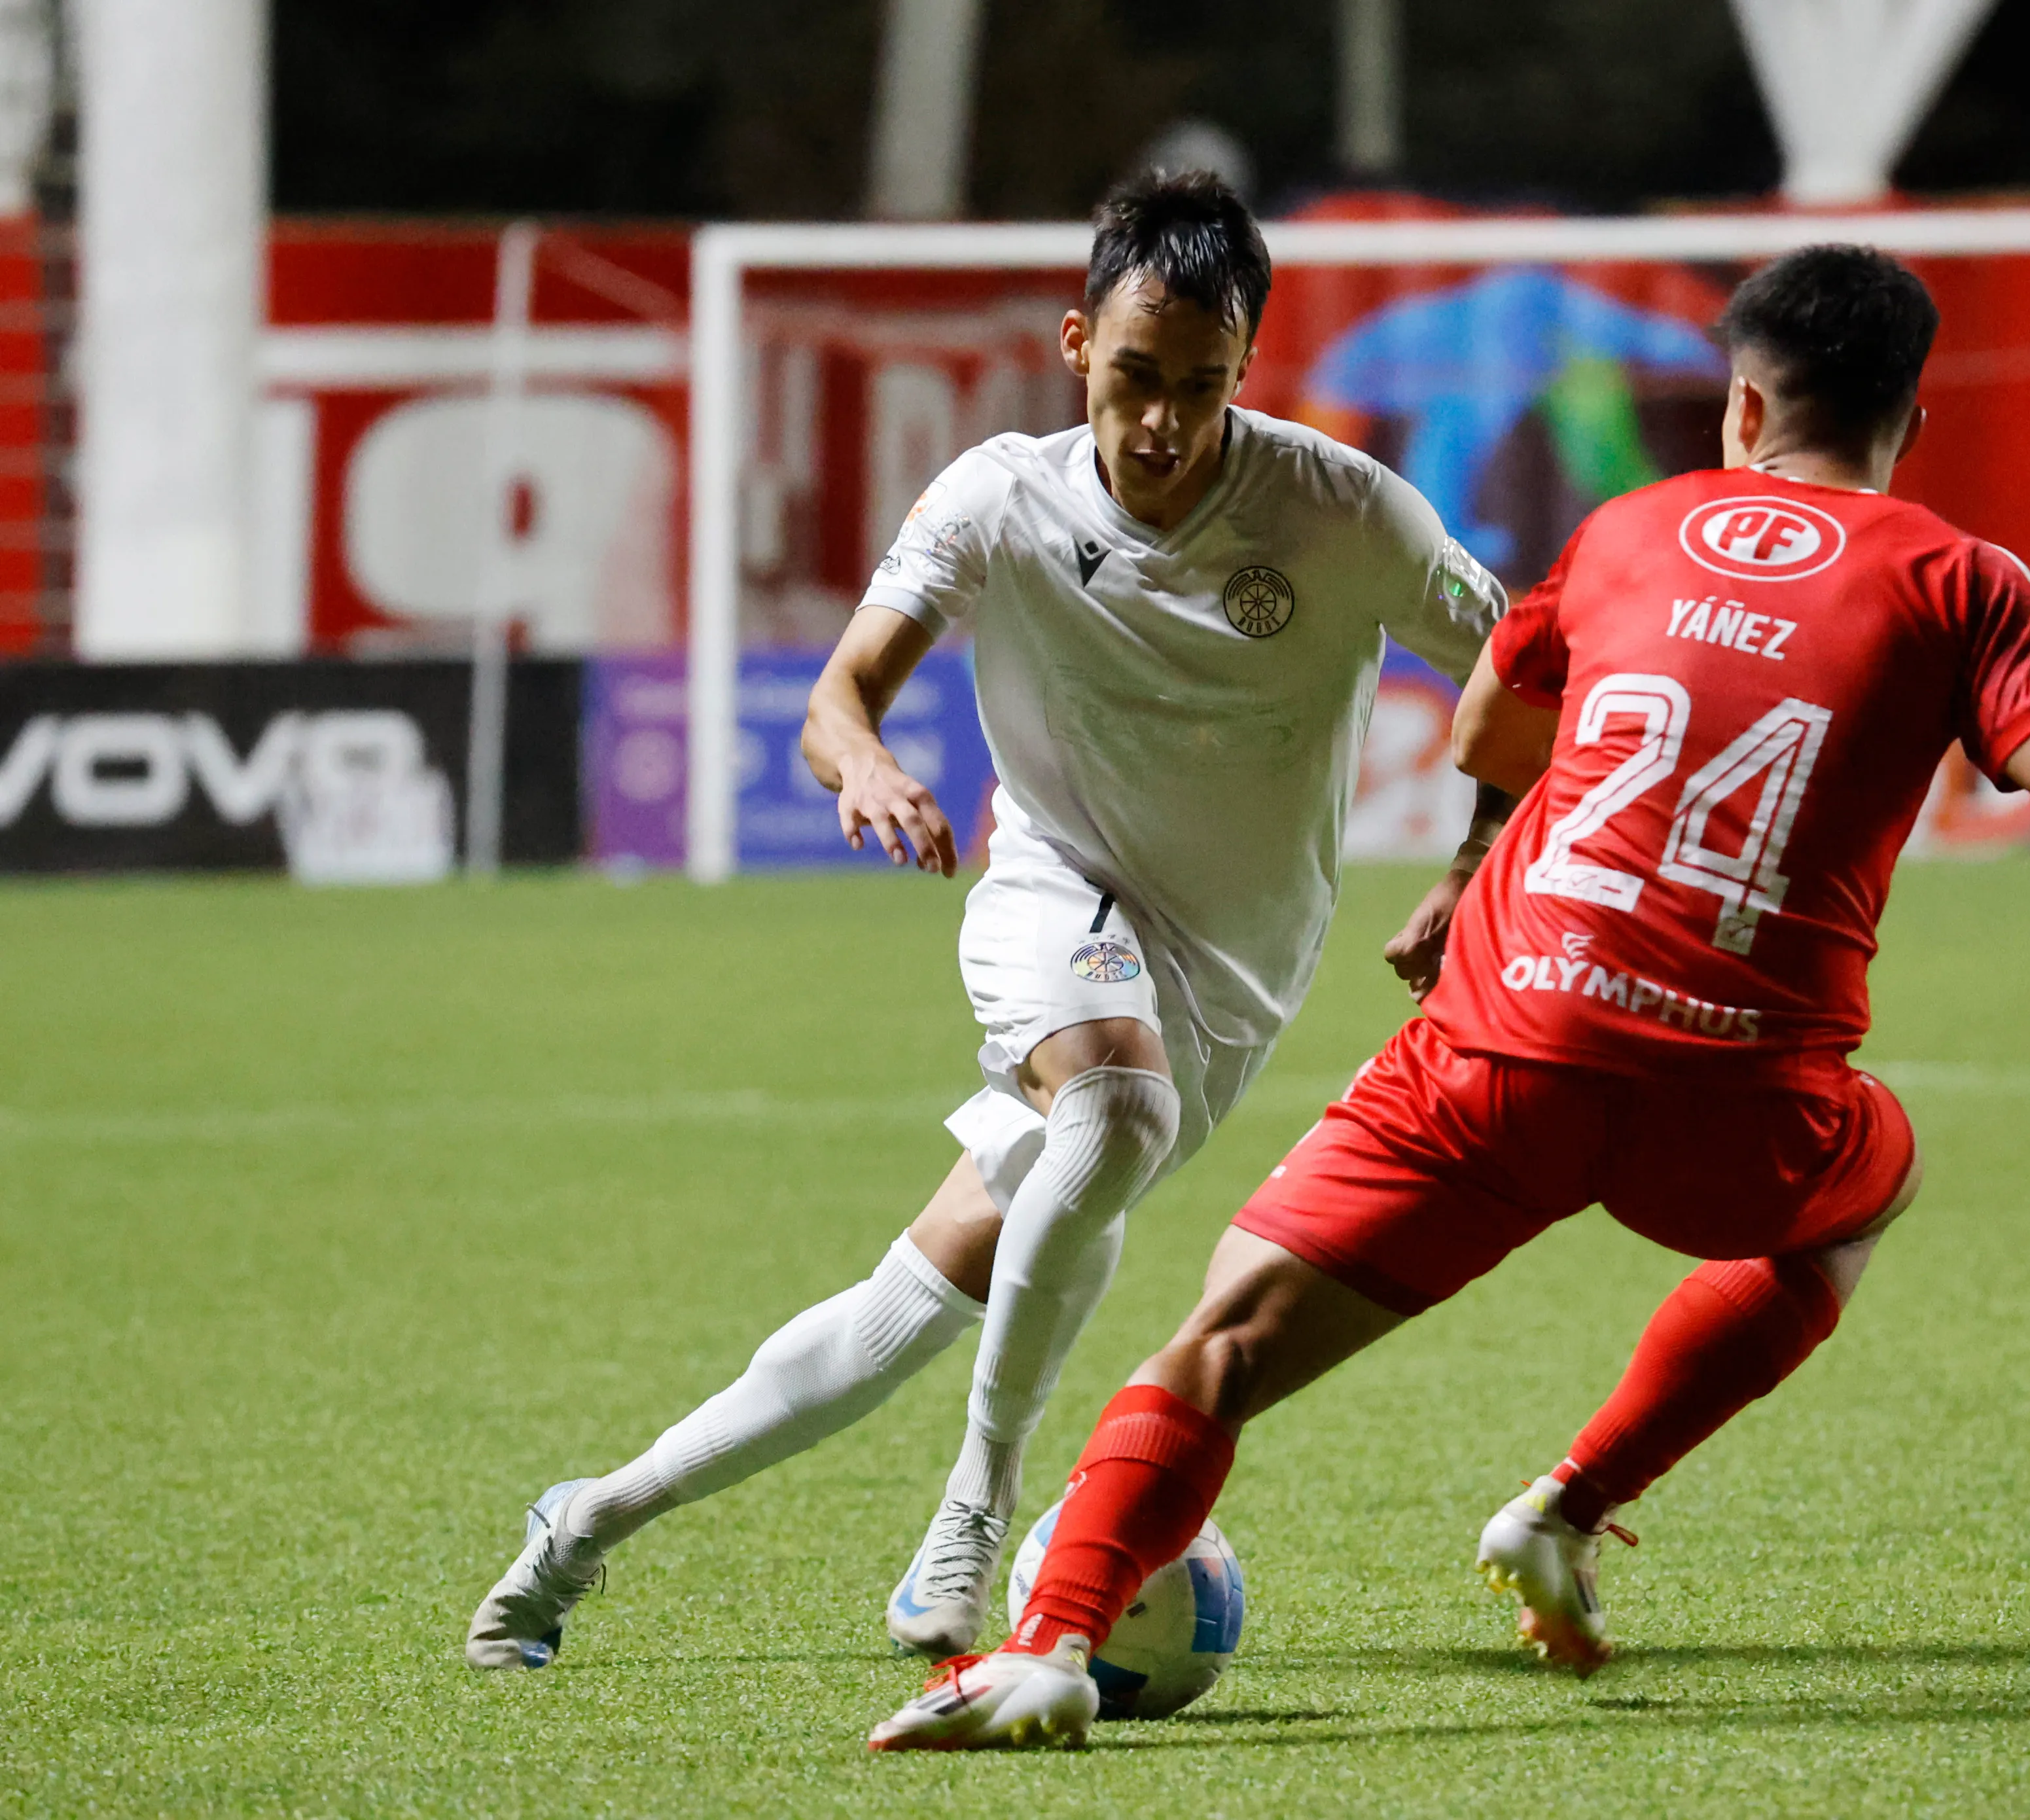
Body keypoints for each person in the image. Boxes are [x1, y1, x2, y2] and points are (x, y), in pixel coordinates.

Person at [864, 243, 2030, 1752]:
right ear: (1909, 421)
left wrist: (1481, 866)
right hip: (1737, 1101)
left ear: (1742, 406)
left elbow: (1494, 711)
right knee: (1864, 1186)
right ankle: (1564, 1505)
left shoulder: (1629, 530)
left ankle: (1048, 1645)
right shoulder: (1965, 579)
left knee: (1221, 1345)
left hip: (1503, 1051)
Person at [465, 170, 1510, 1671]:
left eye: (1199, 389)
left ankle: (588, 1517)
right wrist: (871, 762)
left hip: (1237, 967)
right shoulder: (996, 494)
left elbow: (1530, 664)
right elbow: (837, 698)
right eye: (1135, 377)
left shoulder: (1341, 512)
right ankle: (974, 1513)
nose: (1160, 424)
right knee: (1116, 1099)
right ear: (1078, 339)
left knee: (931, 1281)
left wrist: (1478, 859)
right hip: (1055, 891)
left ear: (1245, 370)